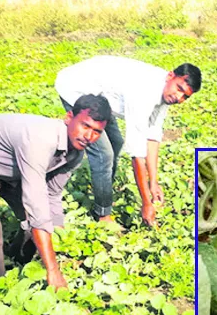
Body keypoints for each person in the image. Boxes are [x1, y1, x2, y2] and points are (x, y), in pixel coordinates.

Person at [0, 94, 111, 289]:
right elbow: (36, 201)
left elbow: (51, 194)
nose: (89, 136)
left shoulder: (76, 153)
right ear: (69, 118)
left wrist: (58, 233)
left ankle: (18, 259)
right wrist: (52, 269)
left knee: (36, 219)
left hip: (4, 166)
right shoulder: (40, 140)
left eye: (97, 131)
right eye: (85, 126)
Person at [55, 56, 202, 227]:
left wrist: (153, 182)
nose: (179, 97)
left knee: (116, 143)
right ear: (170, 76)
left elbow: (152, 137)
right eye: (179, 89)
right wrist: (146, 202)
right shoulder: (144, 92)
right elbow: (137, 153)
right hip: (76, 87)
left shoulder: (166, 94)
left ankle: (104, 189)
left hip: (101, 96)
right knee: (104, 154)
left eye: (185, 96)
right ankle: (103, 215)